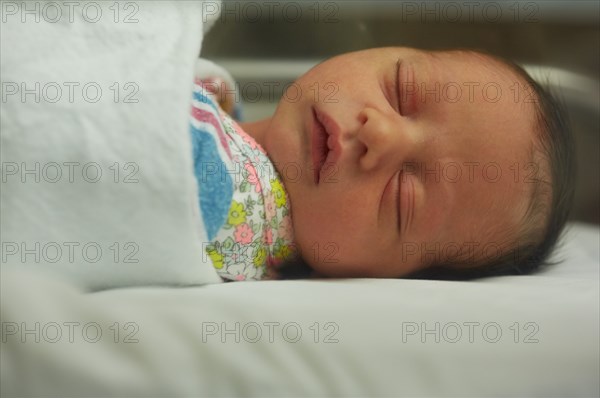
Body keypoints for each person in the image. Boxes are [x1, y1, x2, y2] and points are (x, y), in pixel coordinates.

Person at [192, 46, 575, 282]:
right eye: (402, 91)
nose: (381, 135)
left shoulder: (229, 207)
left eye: (402, 196)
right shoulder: (218, 102)